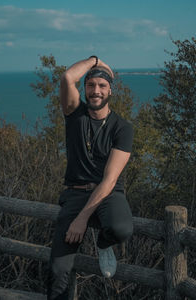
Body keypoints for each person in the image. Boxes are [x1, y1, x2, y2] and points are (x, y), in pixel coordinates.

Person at [47, 56, 134, 299]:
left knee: (121, 229)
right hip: (75, 193)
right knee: (58, 270)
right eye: (91, 85)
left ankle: (103, 245)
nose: (96, 91)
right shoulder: (75, 114)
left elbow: (109, 180)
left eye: (102, 85)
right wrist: (96, 59)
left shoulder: (122, 128)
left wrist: (82, 219)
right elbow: (67, 78)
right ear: (84, 88)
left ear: (110, 90)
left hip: (108, 193)